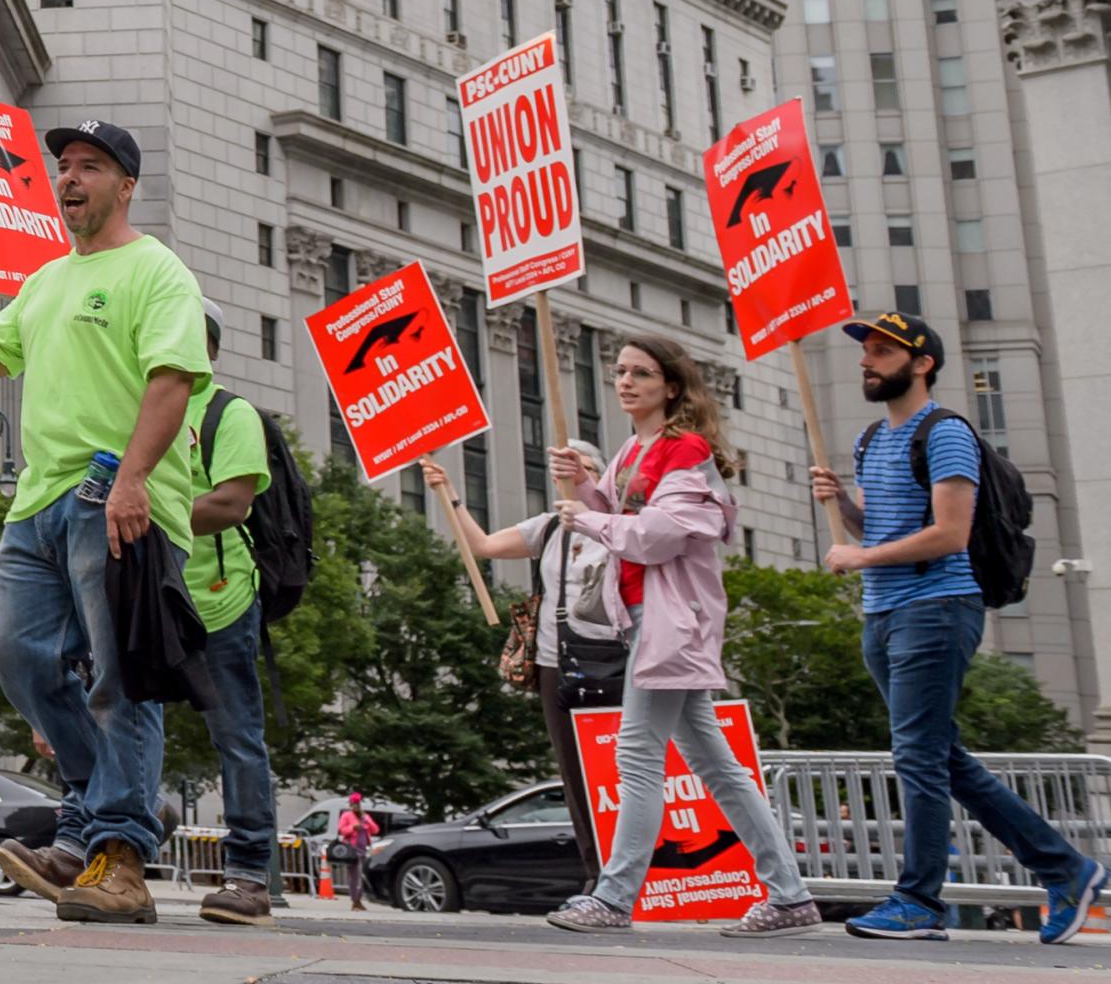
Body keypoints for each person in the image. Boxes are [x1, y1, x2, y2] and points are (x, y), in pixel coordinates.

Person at [0, 118, 209, 924]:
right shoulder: (47, 279)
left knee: (118, 678)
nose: (69, 179)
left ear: (125, 185)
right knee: (17, 652)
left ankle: (118, 856)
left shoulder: (156, 270)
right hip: (37, 505)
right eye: (63, 166)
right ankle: (98, 817)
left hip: (115, 498)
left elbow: (173, 379)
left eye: (89, 167)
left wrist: (134, 479)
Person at [812, 312, 1106, 943]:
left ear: (921, 364)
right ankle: (1067, 868)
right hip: (884, 611)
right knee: (941, 758)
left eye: (883, 351)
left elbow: (949, 534)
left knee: (918, 758)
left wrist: (858, 557)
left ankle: (918, 901)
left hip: (937, 608)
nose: (867, 361)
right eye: (865, 350)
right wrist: (842, 504)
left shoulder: (944, 433)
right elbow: (884, 529)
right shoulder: (871, 440)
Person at [542, 334, 819, 937]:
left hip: (670, 623)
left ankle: (614, 899)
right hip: (649, 619)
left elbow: (657, 534)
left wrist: (586, 513)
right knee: (715, 764)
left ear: (671, 385)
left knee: (638, 756)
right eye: (618, 371)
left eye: (640, 372)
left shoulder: (685, 448)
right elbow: (624, 514)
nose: (625, 381)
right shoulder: (633, 451)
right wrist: (587, 486)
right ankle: (790, 897)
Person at [422, 436, 615, 893]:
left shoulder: (617, 523)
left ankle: (647, 874)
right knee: (574, 773)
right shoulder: (547, 528)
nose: (568, 470)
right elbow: (484, 545)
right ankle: (596, 876)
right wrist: (447, 492)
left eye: (581, 464)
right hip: (557, 662)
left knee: (625, 767)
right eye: (561, 463)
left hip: (617, 659)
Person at [183, 302, 282, 927]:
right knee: (124, 722)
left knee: (237, 736)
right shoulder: (134, 407)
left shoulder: (230, 413)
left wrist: (146, 503)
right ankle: (115, 853)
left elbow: (233, 502)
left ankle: (248, 875)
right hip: (146, 597)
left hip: (220, 601)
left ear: (208, 348)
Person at [333, 794, 382, 910]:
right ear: (350, 805)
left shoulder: (365, 816)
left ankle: (358, 899)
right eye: (353, 804)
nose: (356, 806)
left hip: (363, 849)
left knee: (362, 875)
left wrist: (367, 822)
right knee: (355, 876)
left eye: (357, 804)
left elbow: (376, 829)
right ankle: (355, 900)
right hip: (352, 849)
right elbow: (342, 830)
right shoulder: (346, 815)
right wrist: (353, 828)